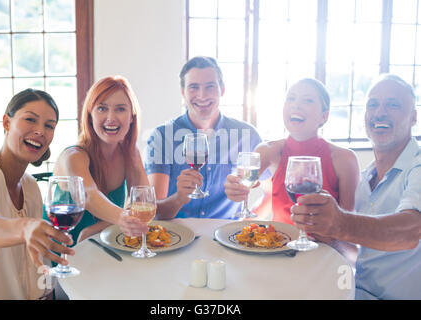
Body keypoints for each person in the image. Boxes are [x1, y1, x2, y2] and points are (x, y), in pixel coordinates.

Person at [291, 74, 421, 299]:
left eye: (393, 105)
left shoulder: (417, 167)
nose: (380, 112)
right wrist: (329, 237)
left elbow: (412, 230)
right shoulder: (366, 178)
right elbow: (358, 255)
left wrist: (339, 223)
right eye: (373, 105)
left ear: (413, 117)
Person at [0, 89, 74, 299]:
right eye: (30, 119)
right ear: (6, 123)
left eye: (49, 125)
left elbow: (33, 261)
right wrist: (25, 226)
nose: (40, 131)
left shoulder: (30, 186)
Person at [225, 78, 360, 226]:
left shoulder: (345, 159)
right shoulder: (268, 151)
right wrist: (235, 188)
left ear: (324, 116)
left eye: (307, 100)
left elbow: (349, 225)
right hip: (277, 244)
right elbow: (244, 183)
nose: (296, 105)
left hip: (325, 246)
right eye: (291, 99)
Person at [145, 56, 262, 219]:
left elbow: (272, 192)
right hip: (176, 239)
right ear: (183, 92)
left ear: (222, 89)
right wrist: (179, 198)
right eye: (193, 87)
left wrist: (248, 223)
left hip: (225, 239)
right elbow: (154, 213)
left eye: (210, 86)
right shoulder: (162, 137)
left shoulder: (247, 135)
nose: (202, 95)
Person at [50, 76, 148, 245]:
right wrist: (121, 217)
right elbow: (88, 195)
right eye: (102, 108)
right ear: (90, 115)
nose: (111, 118)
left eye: (120, 109)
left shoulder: (129, 153)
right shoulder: (73, 156)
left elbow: (143, 204)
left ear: (131, 117)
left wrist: (95, 229)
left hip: (106, 248)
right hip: (64, 254)